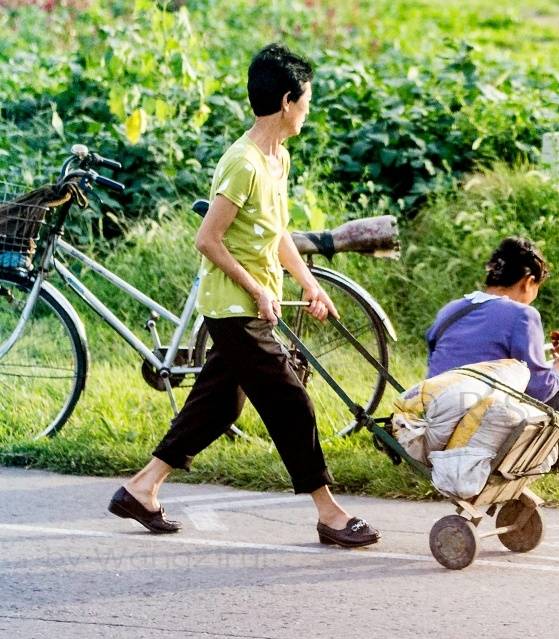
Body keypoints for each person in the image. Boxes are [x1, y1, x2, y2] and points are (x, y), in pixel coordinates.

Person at [107, 44, 380, 548]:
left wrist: (308, 282)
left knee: (218, 407)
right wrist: (257, 289)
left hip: (251, 301)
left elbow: (277, 234)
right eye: (306, 102)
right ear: (285, 102)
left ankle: (140, 490)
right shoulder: (244, 163)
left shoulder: (279, 159)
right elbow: (207, 239)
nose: (308, 111)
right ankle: (330, 514)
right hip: (234, 307)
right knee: (291, 402)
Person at [425, 236, 559, 419]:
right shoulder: (523, 314)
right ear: (528, 282)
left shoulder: (450, 309)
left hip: (435, 408)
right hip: (476, 416)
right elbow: (539, 389)